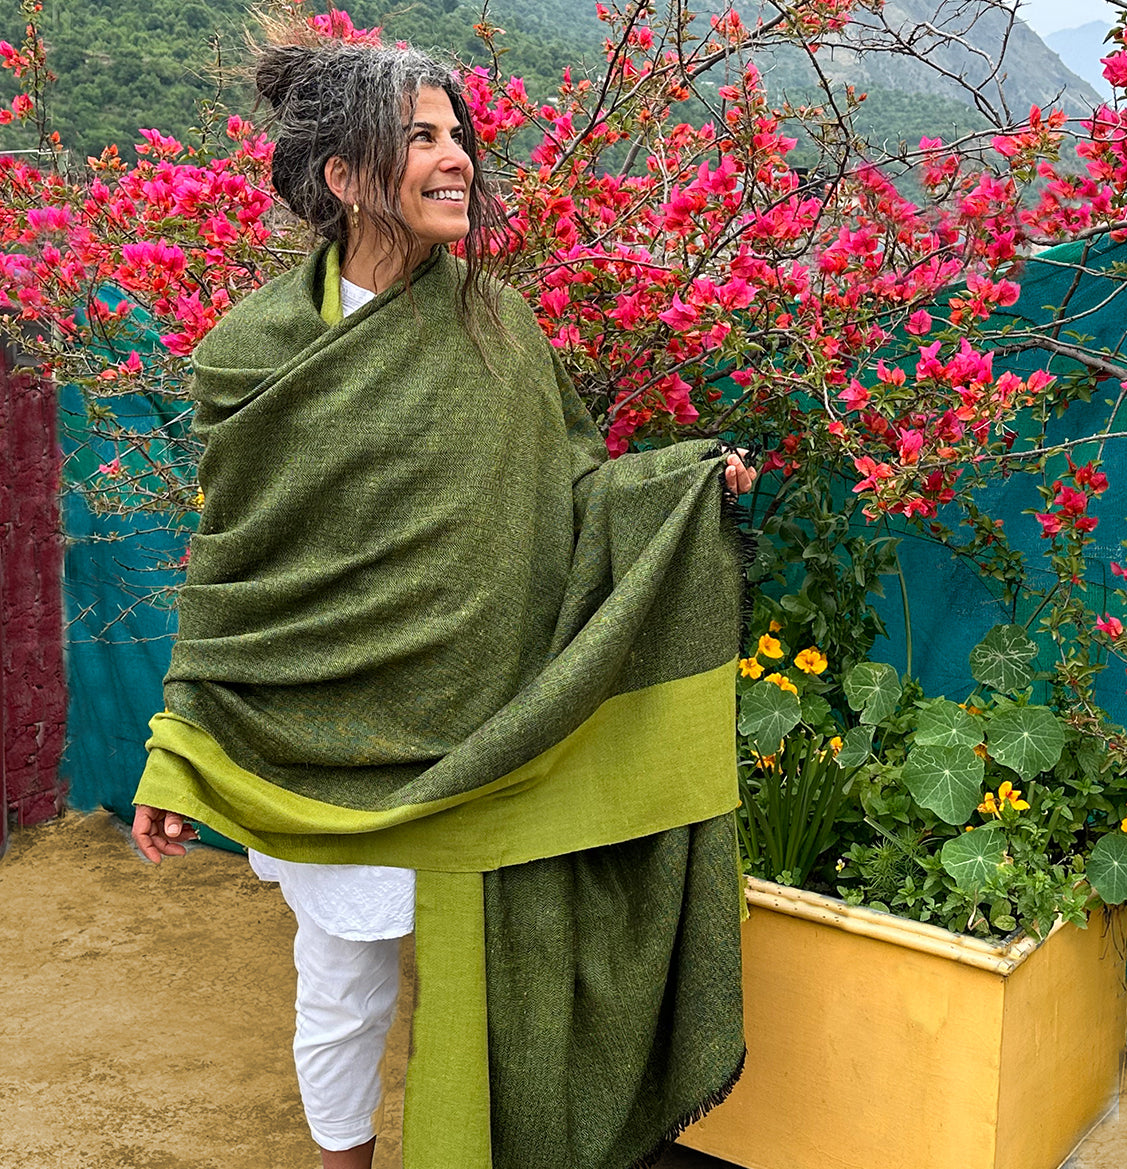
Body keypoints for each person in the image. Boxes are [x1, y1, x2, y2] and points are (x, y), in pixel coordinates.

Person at [133, 30, 754, 1169]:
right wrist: (179, 744)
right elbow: (235, 563)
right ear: (346, 175)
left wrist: (679, 486)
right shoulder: (252, 354)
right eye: (421, 136)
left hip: (487, 733)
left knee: (507, 978)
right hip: (323, 744)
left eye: (458, 132)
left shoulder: (499, 326)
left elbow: (569, 493)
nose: (457, 155)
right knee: (343, 988)